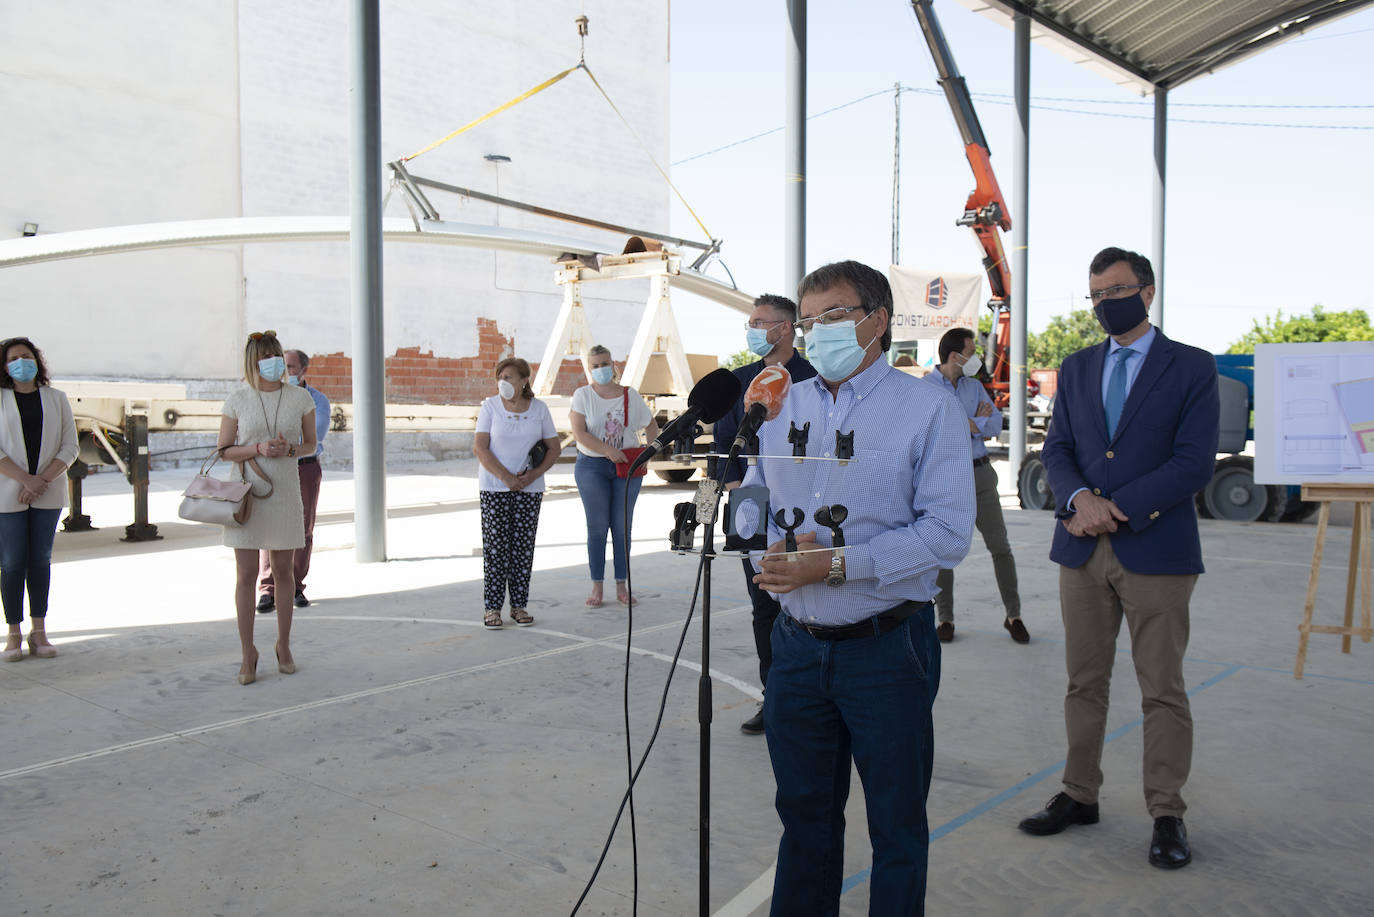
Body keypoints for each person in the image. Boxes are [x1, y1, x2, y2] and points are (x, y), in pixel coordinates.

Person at [742, 261, 974, 916]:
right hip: (796, 648)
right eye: (809, 321)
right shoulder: (782, 404)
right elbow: (756, 492)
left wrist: (837, 564)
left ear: (877, 321)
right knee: (805, 819)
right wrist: (761, 542)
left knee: (895, 825)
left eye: (835, 316)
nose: (819, 331)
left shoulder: (926, 408)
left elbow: (948, 534)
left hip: (887, 650)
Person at [1018, 247, 1219, 871]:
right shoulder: (1077, 367)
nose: (1107, 303)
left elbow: (1193, 462)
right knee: (1084, 682)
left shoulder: (1191, 366)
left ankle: (1167, 812)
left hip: (1156, 550)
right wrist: (1080, 499)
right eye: (1097, 295)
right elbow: (1058, 449)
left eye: (1118, 291)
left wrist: (1116, 507)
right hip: (1081, 549)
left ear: (1148, 292)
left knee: (1162, 689)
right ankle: (1080, 794)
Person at [713, 293, 816, 735]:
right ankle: (773, 696)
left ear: (785, 327)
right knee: (763, 604)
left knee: (808, 601)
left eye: (761, 322)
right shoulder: (739, 382)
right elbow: (722, 446)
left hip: (803, 503)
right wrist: (736, 488)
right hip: (749, 502)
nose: (753, 330)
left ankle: (813, 697)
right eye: (750, 323)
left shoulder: (814, 379)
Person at [217, 331, 317, 685]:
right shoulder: (237, 399)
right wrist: (257, 449)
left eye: (276, 354)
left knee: (284, 572)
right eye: (266, 356)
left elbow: (311, 445)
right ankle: (248, 652)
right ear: (253, 362)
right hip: (246, 495)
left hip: (285, 493)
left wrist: (289, 449)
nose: (274, 361)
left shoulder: (300, 398)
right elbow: (224, 450)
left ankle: (283, 644)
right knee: (246, 576)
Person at [923, 327, 1028, 644]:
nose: (977, 359)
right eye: (972, 353)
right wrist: (972, 423)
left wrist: (973, 423)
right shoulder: (926, 388)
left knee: (1000, 547)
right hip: (946, 478)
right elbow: (936, 429)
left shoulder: (975, 387)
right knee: (943, 551)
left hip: (981, 476)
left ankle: (1014, 615)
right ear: (955, 356)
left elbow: (995, 424)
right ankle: (946, 619)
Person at [0, 337, 78, 662]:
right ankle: (13, 633)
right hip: (8, 494)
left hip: (48, 492)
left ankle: (39, 631)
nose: (21, 362)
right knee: (11, 562)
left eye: (26, 356)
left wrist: (41, 481)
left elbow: (70, 446)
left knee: (40, 561)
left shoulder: (56, 398)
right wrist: (25, 479)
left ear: (37, 360)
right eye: (13, 358)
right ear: (5, 366)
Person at [473, 357, 560, 628]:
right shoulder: (490, 407)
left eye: (509, 377)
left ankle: (519, 606)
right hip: (494, 488)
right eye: (500, 377)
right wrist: (506, 478)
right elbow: (480, 448)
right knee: (496, 549)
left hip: (529, 489)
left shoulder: (539, 409)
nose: (504, 382)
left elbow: (554, 448)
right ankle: (492, 608)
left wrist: (534, 475)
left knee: (523, 548)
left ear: (524, 381)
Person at [570, 344, 659, 608]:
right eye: (595, 366)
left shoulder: (630, 395)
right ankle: (597, 585)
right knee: (597, 526)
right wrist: (607, 450)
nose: (601, 369)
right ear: (589, 368)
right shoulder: (583, 395)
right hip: (592, 466)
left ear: (613, 365)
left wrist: (648, 453)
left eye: (604, 364)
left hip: (627, 467)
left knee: (622, 526)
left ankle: (622, 584)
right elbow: (580, 433)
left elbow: (651, 425)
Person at [256, 348, 330, 613]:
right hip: (273, 468)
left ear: (304, 370)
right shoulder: (268, 398)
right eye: (282, 366)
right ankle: (268, 589)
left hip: (304, 468)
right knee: (270, 527)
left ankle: (296, 586)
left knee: (303, 528)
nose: (286, 372)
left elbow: (313, 437)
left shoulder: (317, 400)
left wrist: (286, 443)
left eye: (291, 367)